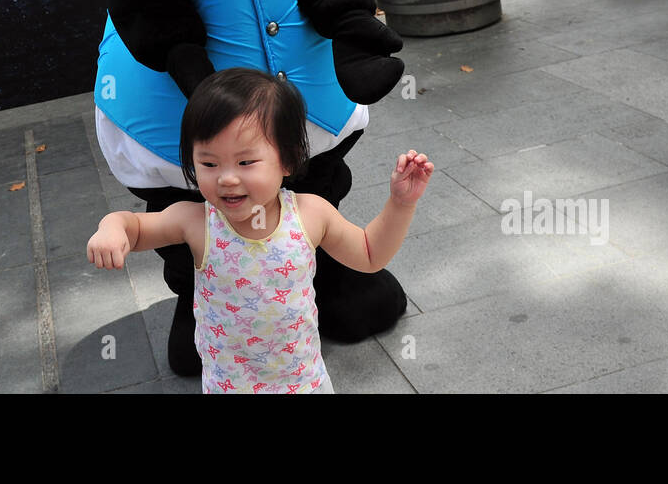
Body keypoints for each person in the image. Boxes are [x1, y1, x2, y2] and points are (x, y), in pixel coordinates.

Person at [87, 67, 434, 393]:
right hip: (228, 384)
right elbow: (132, 226)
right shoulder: (195, 221)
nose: (227, 177)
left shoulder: (310, 214)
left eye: (245, 162)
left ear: (287, 158)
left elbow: (370, 254)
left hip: (303, 381)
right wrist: (112, 228)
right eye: (208, 163)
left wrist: (401, 204)